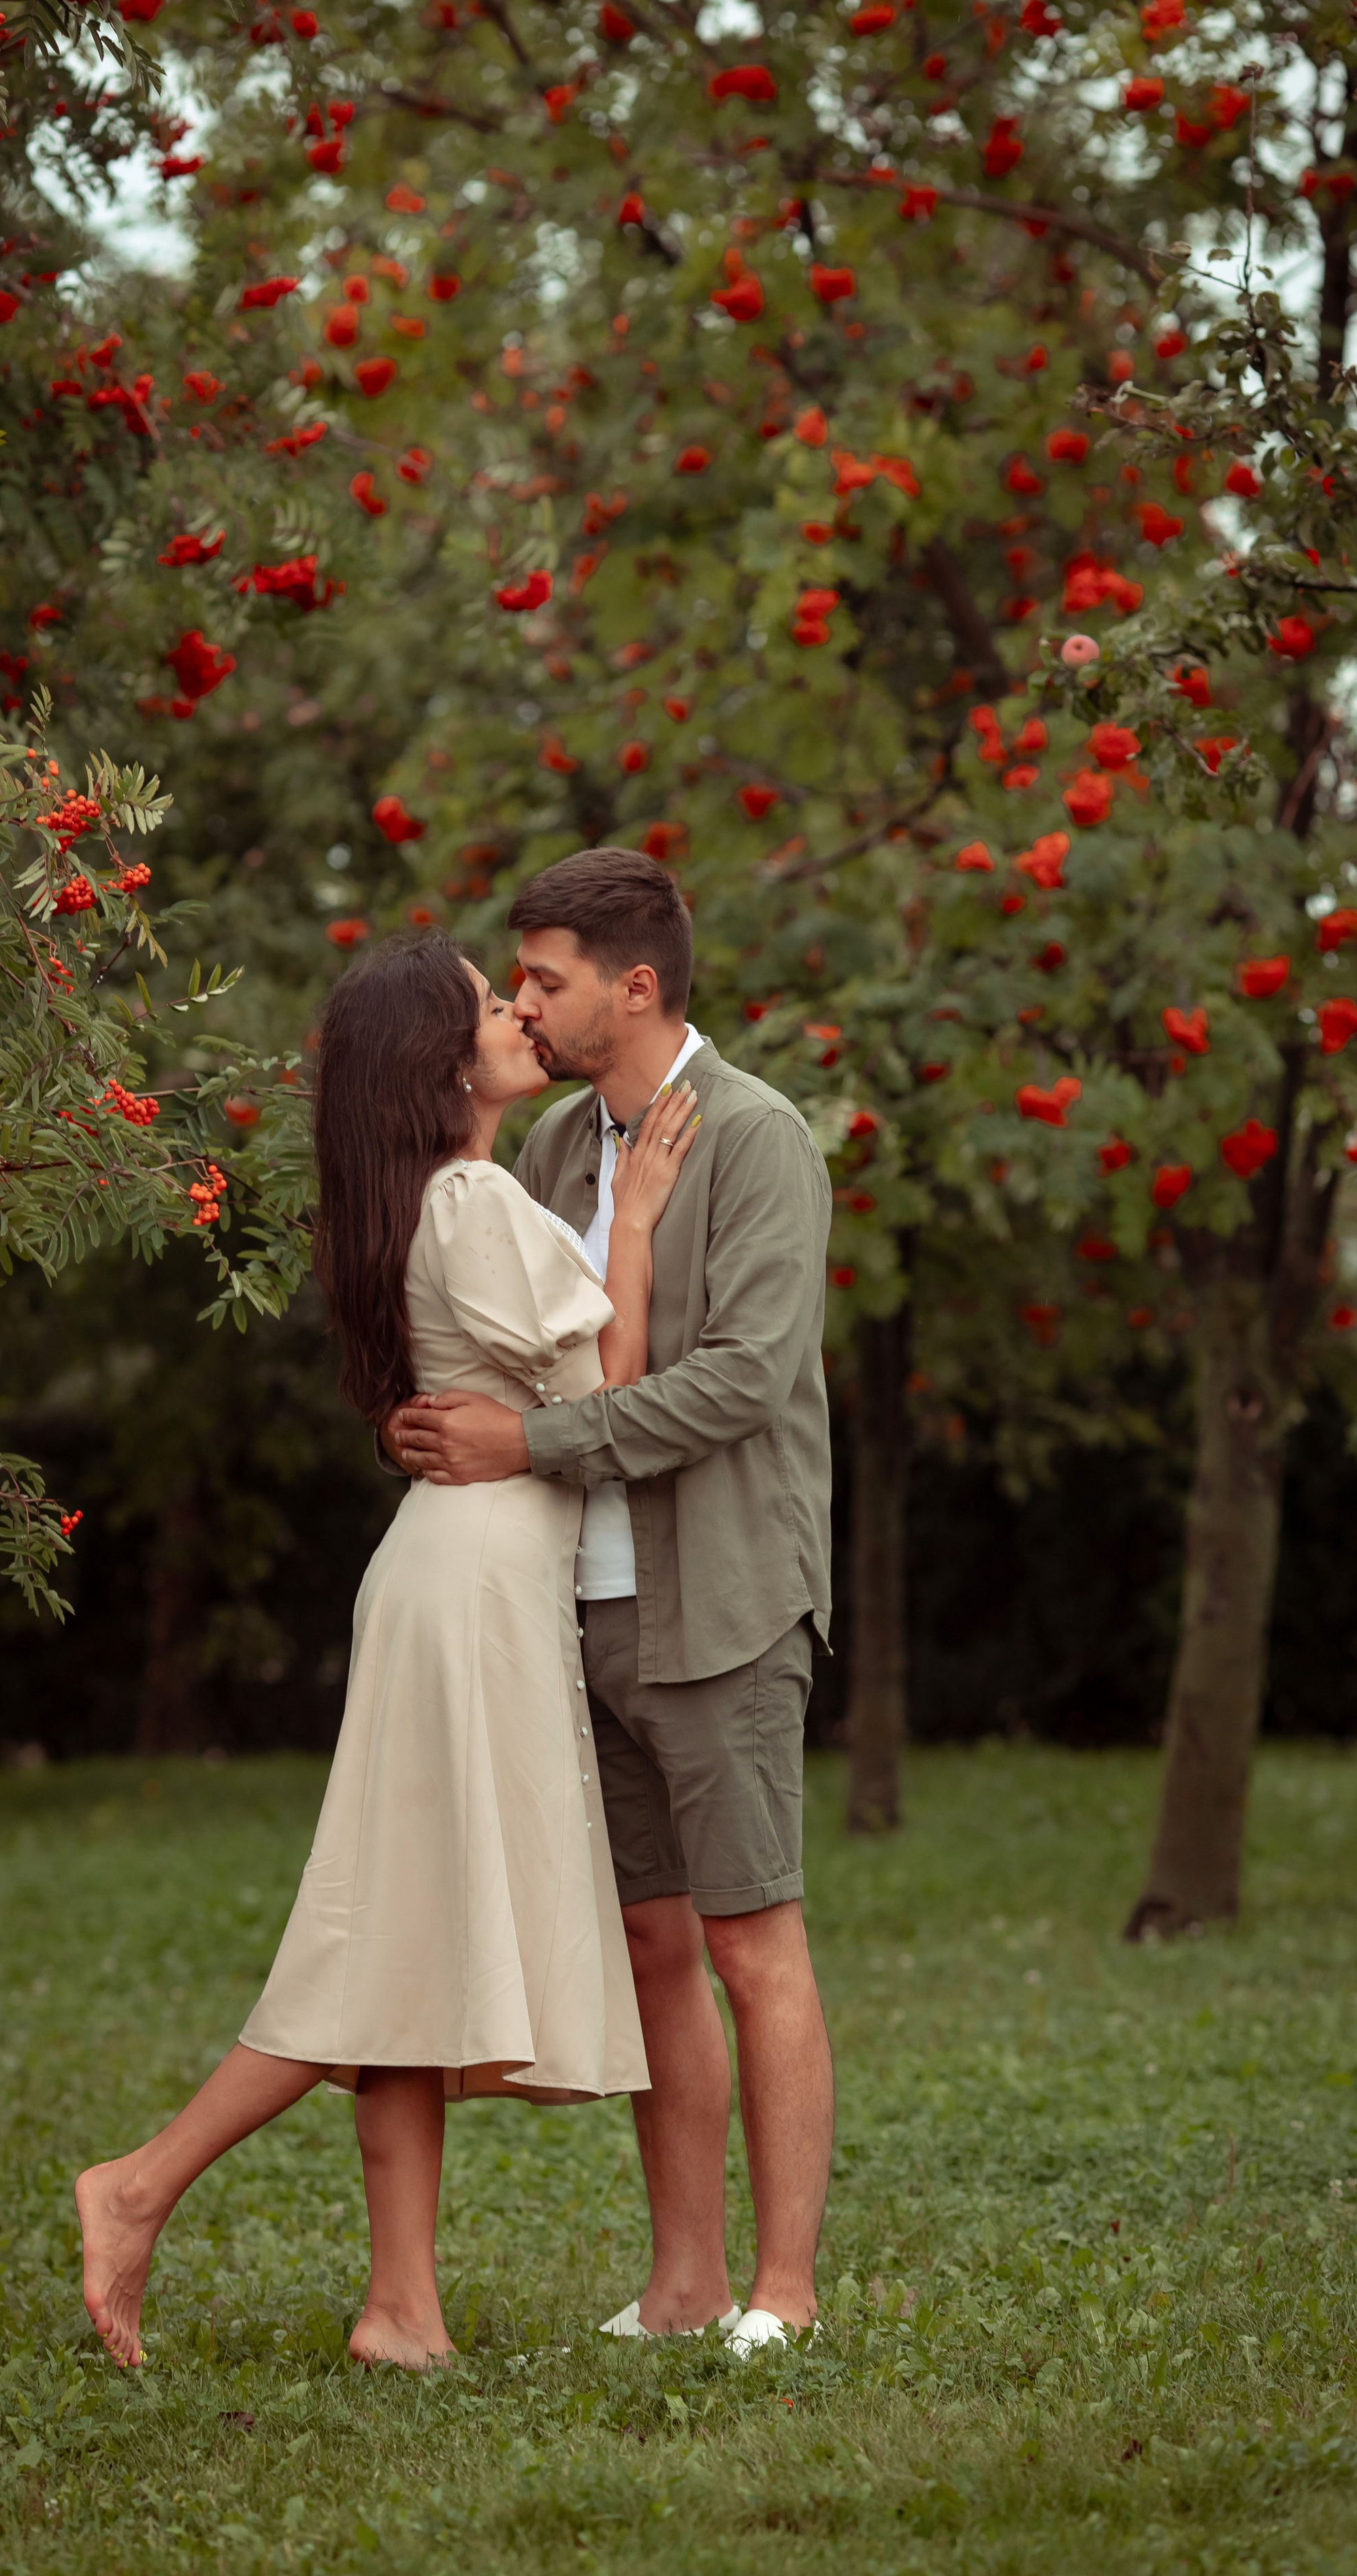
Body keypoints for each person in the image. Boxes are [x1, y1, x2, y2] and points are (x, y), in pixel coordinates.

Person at [75, 930, 700, 2373]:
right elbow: (611, 1387)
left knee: (404, 1934)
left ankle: (400, 2309)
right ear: (441, 1059)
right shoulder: (473, 1194)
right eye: (493, 1004)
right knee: (376, 1939)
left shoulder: (416, 1200)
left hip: (447, 1567)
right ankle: (142, 2182)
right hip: (471, 1584)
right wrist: (643, 1218)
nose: (517, 1017)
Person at [387, 849, 836, 2358]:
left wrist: (530, 1440)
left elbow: (737, 1382)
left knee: (750, 1942)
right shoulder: (559, 1145)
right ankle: (685, 2281)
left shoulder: (760, 1139)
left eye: (547, 979)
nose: (524, 1001)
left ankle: (785, 2292)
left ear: (632, 987)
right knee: (653, 1944)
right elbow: (537, 1354)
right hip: (575, 1608)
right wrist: (446, 1415)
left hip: (721, 1600)